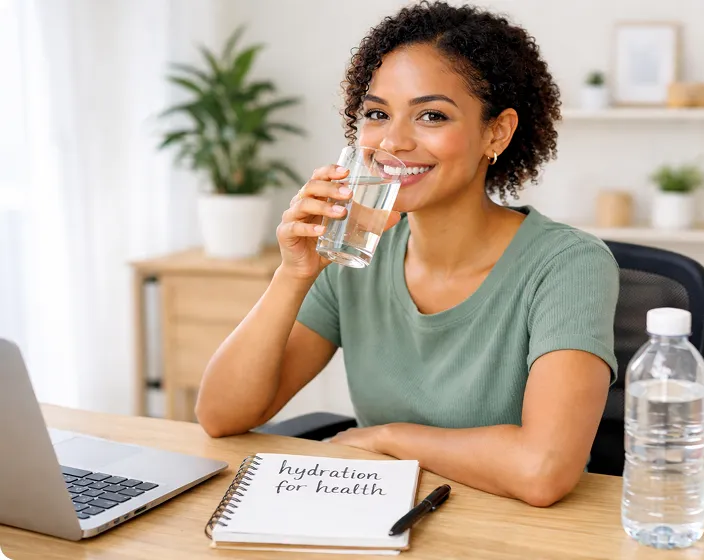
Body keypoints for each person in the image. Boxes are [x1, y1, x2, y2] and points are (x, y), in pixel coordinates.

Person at [195, 0, 619, 508]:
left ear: (496, 132)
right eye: (377, 114)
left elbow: (542, 470)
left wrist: (385, 438)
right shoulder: (353, 254)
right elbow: (221, 416)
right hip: (384, 517)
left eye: (431, 115)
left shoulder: (568, 265)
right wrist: (293, 274)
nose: (392, 141)